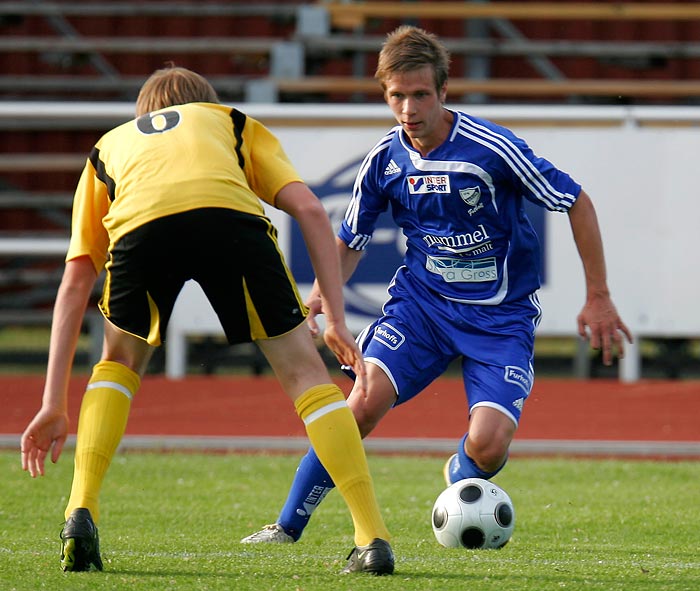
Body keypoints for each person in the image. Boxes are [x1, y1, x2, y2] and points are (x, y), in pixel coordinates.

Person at [241, 25, 633, 545]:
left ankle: (461, 479)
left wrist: (598, 295)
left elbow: (576, 200)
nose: (408, 108)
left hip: (500, 318)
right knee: (360, 405)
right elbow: (351, 239)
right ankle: (287, 527)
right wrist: (323, 297)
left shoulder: (493, 148)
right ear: (385, 95)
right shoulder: (384, 160)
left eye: (420, 94)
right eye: (396, 96)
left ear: (443, 92)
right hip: (421, 310)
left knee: (490, 445)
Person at [19, 66, 394, 576]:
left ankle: (79, 511)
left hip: (141, 227)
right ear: (205, 102)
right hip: (230, 220)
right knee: (306, 375)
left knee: (119, 362)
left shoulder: (110, 146)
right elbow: (308, 207)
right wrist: (336, 315)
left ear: (144, 112)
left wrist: (52, 403)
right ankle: (372, 537)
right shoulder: (229, 121)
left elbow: (74, 281)